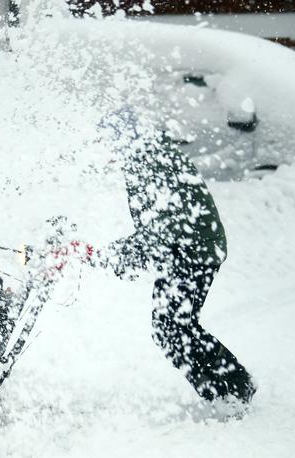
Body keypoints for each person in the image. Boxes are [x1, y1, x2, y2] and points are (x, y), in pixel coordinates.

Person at [98, 107, 256, 403]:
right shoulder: (146, 156)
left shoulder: (150, 158)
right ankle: (227, 388)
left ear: (121, 137)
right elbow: (158, 222)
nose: (105, 149)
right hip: (186, 249)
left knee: (172, 328)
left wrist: (127, 252)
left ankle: (232, 386)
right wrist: (131, 255)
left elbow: (167, 220)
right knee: (171, 328)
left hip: (195, 251)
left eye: (107, 141)